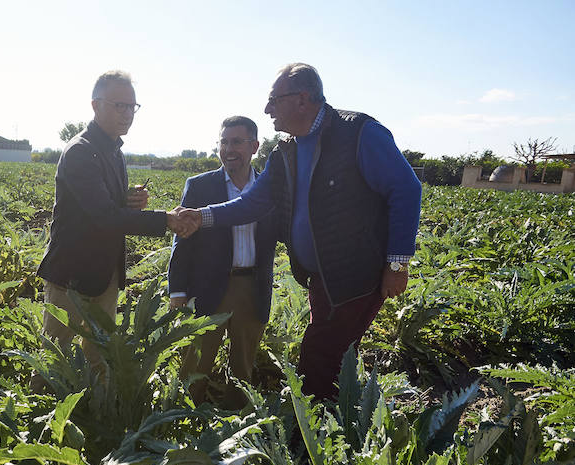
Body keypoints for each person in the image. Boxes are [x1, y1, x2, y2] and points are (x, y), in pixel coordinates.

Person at [177, 63, 421, 402]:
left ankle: (316, 433)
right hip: (320, 278)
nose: (267, 109)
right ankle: (331, 423)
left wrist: (397, 264)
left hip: (356, 275)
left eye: (274, 100)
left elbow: (407, 190)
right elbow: (253, 203)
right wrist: (200, 216)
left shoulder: (359, 133)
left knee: (320, 357)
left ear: (302, 99)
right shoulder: (287, 149)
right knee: (331, 355)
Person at [35, 70, 188, 377]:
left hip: (104, 276)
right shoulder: (80, 151)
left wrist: (126, 199)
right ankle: (39, 422)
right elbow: (103, 216)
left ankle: (98, 419)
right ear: (95, 105)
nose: (127, 113)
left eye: (132, 106)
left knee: (99, 357)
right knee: (56, 359)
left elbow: (103, 206)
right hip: (71, 278)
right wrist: (165, 221)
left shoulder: (113, 151)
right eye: (119, 105)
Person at [168, 116, 276, 409]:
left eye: (237, 142)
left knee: (243, 364)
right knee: (196, 361)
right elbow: (182, 240)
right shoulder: (200, 186)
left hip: (252, 286)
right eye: (224, 142)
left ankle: (237, 426)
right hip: (208, 287)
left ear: (254, 146)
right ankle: (183, 420)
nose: (229, 149)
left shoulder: (271, 187)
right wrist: (177, 290)